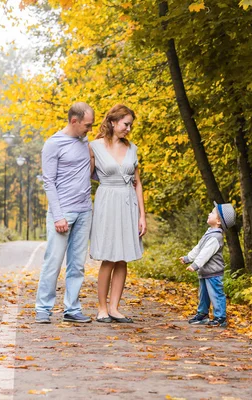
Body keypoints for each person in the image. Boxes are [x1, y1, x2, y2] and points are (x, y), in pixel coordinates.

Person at [35, 102, 95, 324]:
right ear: (74, 121)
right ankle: (43, 308)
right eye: (87, 125)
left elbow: (89, 169)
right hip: (63, 213)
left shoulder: (84, 140)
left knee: (77, 264)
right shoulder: (53, 144)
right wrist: (58, 216)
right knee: (53, 260)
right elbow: (48, 182)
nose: (89, 129)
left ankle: (72, 309)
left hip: (84, 211)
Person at [89, 104, 146, 324]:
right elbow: (87, 175)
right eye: (126, 124)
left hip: (128, 202)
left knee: (123, 258)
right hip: (107, 201)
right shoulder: (94, 146)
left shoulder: (132, 148)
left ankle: (114, 307)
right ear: (113, 122)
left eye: (131, 125)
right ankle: (102, 308)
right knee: (109, 257)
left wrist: (142, 215)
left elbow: (138, 183)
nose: (129, 129)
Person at [180, 202, 235, 328]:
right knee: (203, 294)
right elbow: (199, 247)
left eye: (213, 212)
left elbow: (205, 253)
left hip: (213, 273)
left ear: (219, 222)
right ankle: (203, 314)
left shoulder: (216, 237)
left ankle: (220, 317)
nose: (209, 214)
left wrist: (195, 265)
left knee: (216, 294)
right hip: (205, 272)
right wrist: (188, 257)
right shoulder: (209, 232)